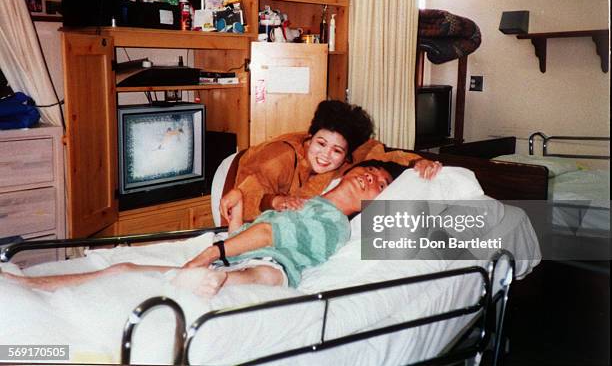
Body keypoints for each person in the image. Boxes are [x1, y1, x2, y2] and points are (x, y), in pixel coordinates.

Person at [3, 160, 407, 296]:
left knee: (262, 273)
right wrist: (234, 217)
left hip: (272, 269)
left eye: (379, 185)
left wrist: (210, 253)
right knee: (120, 269)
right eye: (368, 172)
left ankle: (214, 281)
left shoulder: (337, 225)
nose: (370, 178)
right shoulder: (310, 201)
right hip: (242, 254)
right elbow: (252, 232)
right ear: (346, 174)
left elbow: (272, 238)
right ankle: (31, 285)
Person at [221, 100, 440, 223]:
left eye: (336, 150)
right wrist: (275, 201)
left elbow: (382, 154)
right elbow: (245, 198)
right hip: (232, 183)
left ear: (347, 155)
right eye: (321, 144)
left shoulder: (349, 159)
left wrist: (419, 162)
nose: (325, 155)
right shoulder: (280, 156)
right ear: (310, 137)